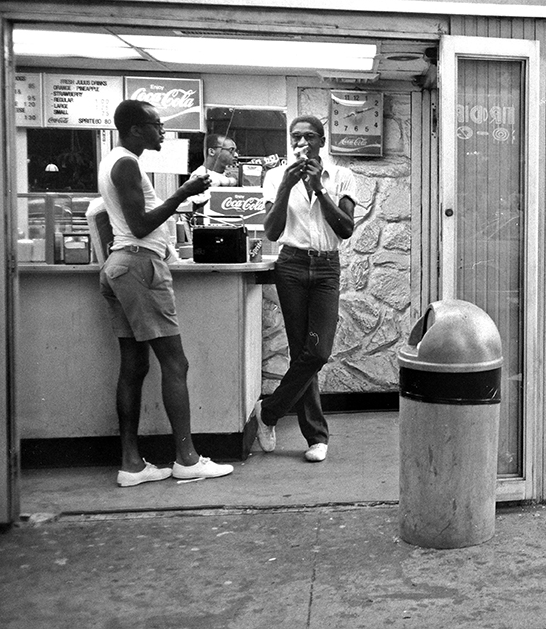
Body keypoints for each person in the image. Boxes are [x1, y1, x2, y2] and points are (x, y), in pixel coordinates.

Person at [98, 99, 234, 487]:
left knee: (134, 366)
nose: (162, 131)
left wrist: (185, 195)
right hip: (139, 266)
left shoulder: (115, 161)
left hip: (119, 266)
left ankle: (131, 464)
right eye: (156, 125)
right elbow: (140, 225)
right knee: (176, 364)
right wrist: (181, 194)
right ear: (136, 129)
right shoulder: (127, 164)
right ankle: (187, 459)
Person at [247, 116, 355, 464]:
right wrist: (285, 188)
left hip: (326, 266)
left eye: (309, 136)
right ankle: (317, 436)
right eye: (296, 137)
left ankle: (269, 411)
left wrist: (319, 188)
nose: (302, 142)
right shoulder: (276, 177)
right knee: (300, 352)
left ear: (322, 140)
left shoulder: (341, 176)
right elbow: (272, 232)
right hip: (291, 264)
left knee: (318, 352)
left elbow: (346, 228)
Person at [188, 133, 238, 223]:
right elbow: (196, 210)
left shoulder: (226, 174)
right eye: (231, 150)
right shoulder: (200, 174)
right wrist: (232, 180)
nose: (236, 155)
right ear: (211, 151)